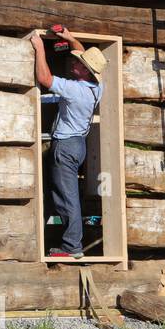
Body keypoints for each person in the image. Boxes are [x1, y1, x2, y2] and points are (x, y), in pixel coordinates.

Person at [29, 31, 107, 259]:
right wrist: (70, 37)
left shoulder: (75, 90)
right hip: (76, 145)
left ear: (86, 71)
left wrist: (40, 47)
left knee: (67, 197)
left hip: (65, 147)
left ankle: (71, 246)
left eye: (79, 63)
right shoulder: (95, 87)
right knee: (63, 194)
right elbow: (83, 54)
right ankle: (66, 242)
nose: (74, 62)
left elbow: (44, 79)